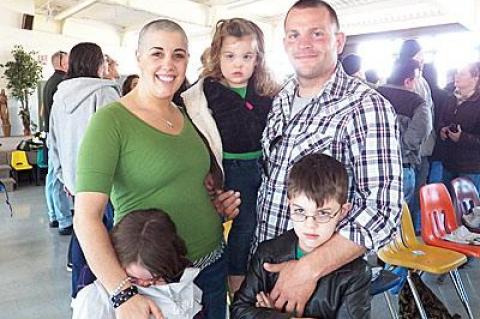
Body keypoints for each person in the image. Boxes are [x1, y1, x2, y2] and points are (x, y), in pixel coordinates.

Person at [74, 19, 233, 319]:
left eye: (178, 54)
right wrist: (122, 292)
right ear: (139, 58)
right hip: (154, 281)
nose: (168, 65)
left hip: (211, 265)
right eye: (157, 53)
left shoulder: (188, 115)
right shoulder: (111, 122)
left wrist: (216, 203)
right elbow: (85, 218)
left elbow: (184, 181)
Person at [251, 1, 402, 315]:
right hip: (268, 266)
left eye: (316, 33)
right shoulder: (282, 97)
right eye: (294, 35)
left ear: (339, 41)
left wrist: (307, 270)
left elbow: (381, 211)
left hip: (321, 284)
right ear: (284, 44)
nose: (303, 44)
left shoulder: (366, 107)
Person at [182, 17, 278, 293]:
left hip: (262, 167)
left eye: (247, 56)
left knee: (259, 225)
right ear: (217, 56)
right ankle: (234, 279)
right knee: (242, 223)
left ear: (257, 59)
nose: (239, 64)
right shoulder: (205, 94)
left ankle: (256, 275)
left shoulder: (265, 92)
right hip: (228, 168)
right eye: (230, 56)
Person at [232, 154, 371, 319]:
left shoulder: (356, 273)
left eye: (323, 214)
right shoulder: (268, 253)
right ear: (289, 204)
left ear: (343, 211)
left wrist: (269, 315)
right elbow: (239, 311)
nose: (310, 224)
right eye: (300, 211)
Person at [48, 42, 121, 297]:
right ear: (97, 63)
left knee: (84, 233)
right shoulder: (106, 94)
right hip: (108, 184)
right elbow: (119, 141)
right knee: (112, 241)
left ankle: (80, 298)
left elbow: (52, 142)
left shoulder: (59, 98)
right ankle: (114, 296)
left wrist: (65, 177)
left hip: (75, 183)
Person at [72, 209, 203, 319]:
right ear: (115, 259)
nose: (144, 284)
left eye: (154, 279)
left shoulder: (179, 274)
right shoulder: (93, 295)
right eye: (133, 279)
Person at [377, 59, 430, 209]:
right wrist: (398, 150)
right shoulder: (418, 104)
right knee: (403, 218)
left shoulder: (373, 95)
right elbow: (418, 135)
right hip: (402, 167)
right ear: (408, 81)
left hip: (372, 167)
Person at [396, 39, 434, 233]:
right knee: (405, 213)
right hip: (407, 160)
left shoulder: (377, 93)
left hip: (383, 163)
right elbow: (420, 130)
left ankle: (383, 259)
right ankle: (400, 258)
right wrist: (404, 148)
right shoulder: (416, 97)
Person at [42, 50, 72, 233]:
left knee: (51, 178)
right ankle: (64, 220)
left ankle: (54, 215)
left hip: (50, 135)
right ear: (60, 63)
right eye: (68, 61)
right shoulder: (61, 83)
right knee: (57, 179)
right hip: (57, 136)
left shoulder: (50, 82)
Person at [438, 62, 480, 190]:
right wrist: (442, 129)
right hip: (449, 163)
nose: (457, 76)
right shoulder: (451, 98)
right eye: (457, 73)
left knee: (469, 208)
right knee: (448, 205)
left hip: (471, 167)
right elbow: (442, 120)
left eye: (462, 74)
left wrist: (462, 138)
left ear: (476, 77)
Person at [423, 63, 453, 183]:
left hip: (424, 141)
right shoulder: (445, 95)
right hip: (440, 141)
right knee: (436, 177)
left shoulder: (419, 93)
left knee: (420, 178)